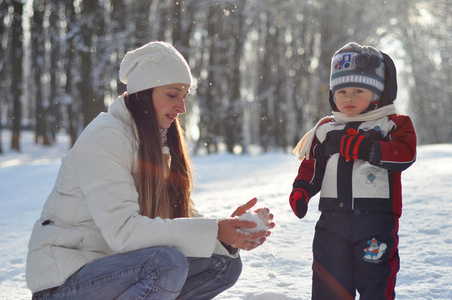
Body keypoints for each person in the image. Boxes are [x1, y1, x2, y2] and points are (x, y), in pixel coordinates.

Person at [26, 41, 275, 300]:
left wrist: (226, 234)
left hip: (120, 272)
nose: (182, 108)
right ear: (144, 93)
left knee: (223, 264)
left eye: (184, 96)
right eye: (172, 94)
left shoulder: (158, 143)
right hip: (65, 282)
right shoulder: (105, 137)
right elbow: (124, 233)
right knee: (166, 264)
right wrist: (214, 229)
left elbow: (179, 216)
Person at [289, 42, 416, 299]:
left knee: (375, 281)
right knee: (329, 281)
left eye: (359, 90)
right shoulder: (326, 129)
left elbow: (405, 154)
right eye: (342, 90)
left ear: (377, 94)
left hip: (376, 220)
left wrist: (367, 148)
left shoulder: (392, 124)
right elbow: (312, 164)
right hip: (332, 222)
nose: (348, 97)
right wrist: (301, 190)